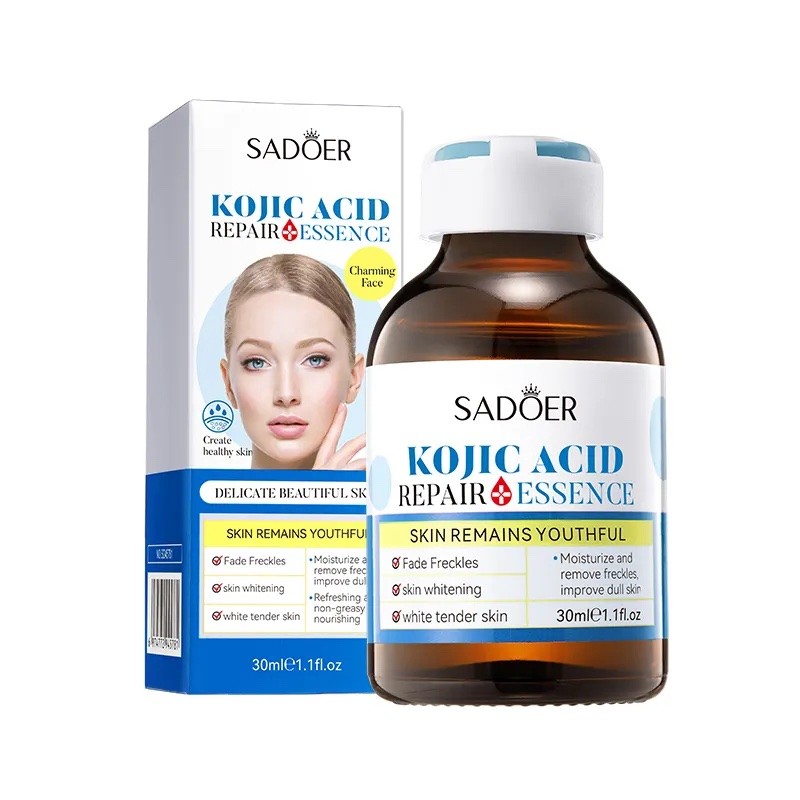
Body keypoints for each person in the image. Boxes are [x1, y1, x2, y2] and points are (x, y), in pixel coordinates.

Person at [220, 254, 365, 470]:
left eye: (315, 360)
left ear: (354, 378)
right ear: (228, 383)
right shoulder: (198, 491)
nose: (286, 395)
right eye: (257, 362)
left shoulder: (393, 489)